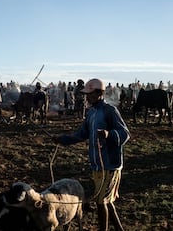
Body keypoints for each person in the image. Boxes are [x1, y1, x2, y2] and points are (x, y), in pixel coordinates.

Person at [53, 78, 130, 231]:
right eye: (86, 94)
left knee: (101, 202)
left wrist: (109, 134)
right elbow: (82, 134)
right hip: (97, 166)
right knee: (106, 201)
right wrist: (62, 140)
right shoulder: (91, 113)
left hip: (110, 165)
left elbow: (125, 133)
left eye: (90, 94)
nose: (87, 97)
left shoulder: (110, 111)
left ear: (99, 93)